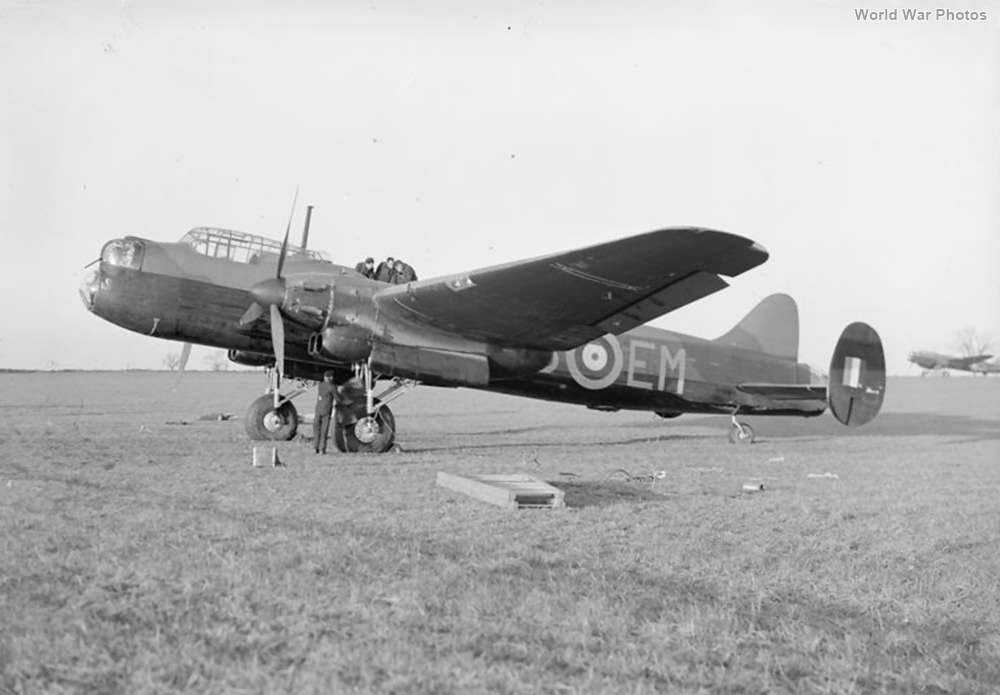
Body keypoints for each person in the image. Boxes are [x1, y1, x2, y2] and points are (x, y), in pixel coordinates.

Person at [313, 370, 337, 454]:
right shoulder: (332, 387)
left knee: (316, 429)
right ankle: (322, 449)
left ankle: (315, 447)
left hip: (318, 409)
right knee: (324, 430)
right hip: (326, 411)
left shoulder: (320, 385)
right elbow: (338, 398)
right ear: (331, 377)